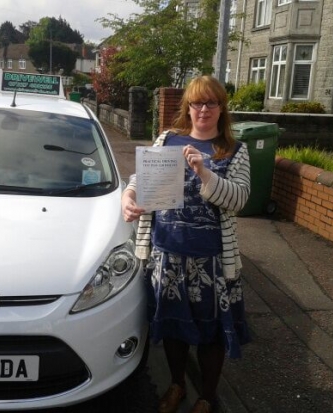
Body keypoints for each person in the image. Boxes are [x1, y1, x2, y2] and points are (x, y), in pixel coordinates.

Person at [121, 76, 251, 413]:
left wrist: (205, 173)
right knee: (174, 329)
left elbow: (238, 200)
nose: (203, 109)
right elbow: (142, 179)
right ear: (188, 107)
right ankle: (177, 384)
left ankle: (206, 396)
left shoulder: (233, 150)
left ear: (222, 108)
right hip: (167, 256)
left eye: (211, 103)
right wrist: (129, 195)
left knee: (211, 334)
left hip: (212, 262)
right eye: (197, 103)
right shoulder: (169, 139)